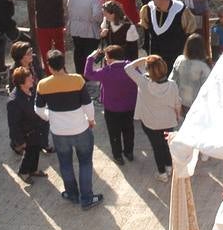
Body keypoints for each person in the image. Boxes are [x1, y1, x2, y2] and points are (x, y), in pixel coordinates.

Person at [36, 49, 103, 208]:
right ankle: (86, 198)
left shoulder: (43, 84)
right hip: (80, 129)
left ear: (48, 66)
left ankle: (72, 194)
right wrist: (91, 120)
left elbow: (38, 110)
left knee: (65, 164)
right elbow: (88, 105)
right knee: (85, 162)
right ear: (64, 63)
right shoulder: (77, 80)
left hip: (59, 133)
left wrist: (50, 116)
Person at [124, 55, 182, 182]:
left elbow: (128, 68)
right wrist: (178, 116)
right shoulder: (172, 85)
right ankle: (169, 166)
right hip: (168, 121)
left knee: (157, 147)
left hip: (150, 123)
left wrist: (144, 59)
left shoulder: (143, 82)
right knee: (166, 144)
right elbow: (177, 104)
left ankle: (162, 173)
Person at [84, 45, 138, 164]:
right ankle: (129, 152)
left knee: (114, 132)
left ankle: (117, 156)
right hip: (129, 106)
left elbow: (88, 74)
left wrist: (90, 58)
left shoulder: (106, 71)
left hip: (111, 109)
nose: (105, 60)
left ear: (111, 59)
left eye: (106, 57)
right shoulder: (131, 67)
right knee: (129, 130)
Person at [7, 65, 48, 183]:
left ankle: (33, 170)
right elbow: (13, 124)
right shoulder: (14, 101)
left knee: (36, 150)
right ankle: (23, 171)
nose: (33, 79)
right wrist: (19, 141)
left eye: (31, 77)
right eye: (29, 78)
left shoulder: (31, 89)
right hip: (27, 134)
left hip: (36, 129)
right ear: (21, 83)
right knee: (29, 153)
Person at [140, 0, 199, 68]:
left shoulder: (181, 11)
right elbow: (145, 27)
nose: (151, 0)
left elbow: (189, 30)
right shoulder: (148, 9)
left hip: (175, 54)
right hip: (155, 54)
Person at [31, 0, 71, 66]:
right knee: (60, 48)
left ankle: (49, 72)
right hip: (56, 23)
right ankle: (61, 70)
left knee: (45, 51)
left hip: (41, 24)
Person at [69, 0, 104, 76]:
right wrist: (101, 23)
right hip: (90, 30)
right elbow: (97, 15)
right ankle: (87, 75)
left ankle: (79, 74)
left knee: (78, 52)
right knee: (89, 54)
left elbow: (69, 8)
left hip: (75, 28)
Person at [172, 33, 212, 114]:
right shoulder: (204, 66)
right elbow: (208, 87)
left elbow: (172, 80)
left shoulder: (179, 60)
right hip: (198, 104)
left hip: (181, 101)